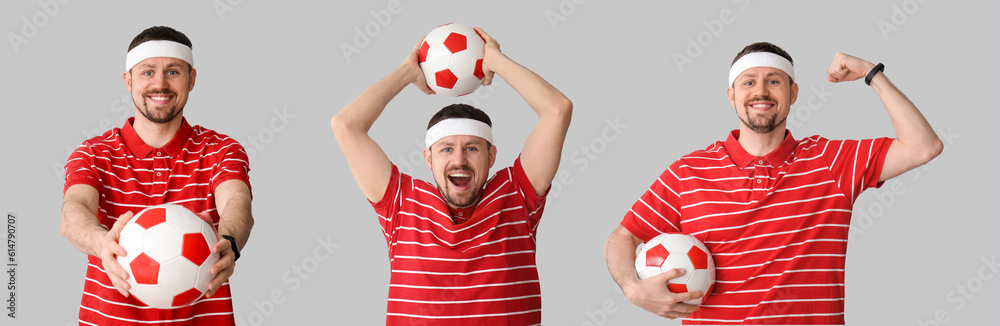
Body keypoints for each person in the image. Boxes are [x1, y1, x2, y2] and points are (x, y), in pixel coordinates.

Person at [603, 42, 942, 324]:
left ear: (793, 93)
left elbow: (923, 146)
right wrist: (634, 289)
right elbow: (623, 237)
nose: (761, 91)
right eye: (748, 82)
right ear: (731, 95)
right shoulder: (688, 171)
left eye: (774, 81)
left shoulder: (831, 161)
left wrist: (871, 73)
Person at [331, 27, 572, 325]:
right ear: (428, 159)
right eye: (446, 149)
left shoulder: (516, 195)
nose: (459, 160)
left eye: (471, 148)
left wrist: (496, 60)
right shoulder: (402, 202)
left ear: (491, 156)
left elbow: (558, 110)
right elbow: (345, 125)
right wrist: (407, 72)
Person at [60, 26, 253, 325]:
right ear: (128, 81)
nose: (160, 84)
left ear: (192, 79)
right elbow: (74, 210)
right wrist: (102, 244)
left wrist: (229, 240)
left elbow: (236, 201)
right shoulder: (94, 152)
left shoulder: (221, 149)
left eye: (173, 71)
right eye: (147, 72)